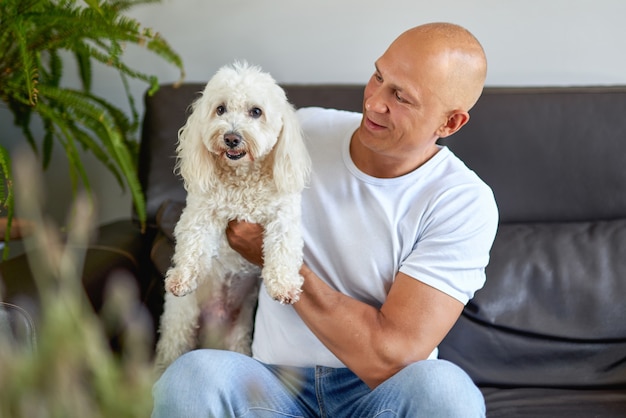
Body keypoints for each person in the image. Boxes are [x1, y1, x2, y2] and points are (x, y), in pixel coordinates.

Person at [152, 21, 498, 417]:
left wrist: (275, 261)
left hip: (375, 394)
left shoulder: (463, 202)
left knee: (448, 391)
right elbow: (210, 189)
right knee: (189, 377)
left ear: (449, 123)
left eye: (401, 96)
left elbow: (391, 357)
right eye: (378, 77)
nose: (373, 103)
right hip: (267, 384)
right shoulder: (302, 131)